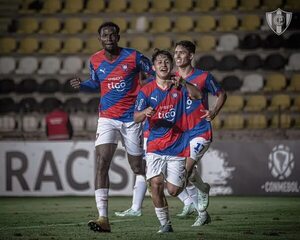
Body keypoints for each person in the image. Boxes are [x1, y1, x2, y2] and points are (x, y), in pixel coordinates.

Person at [70, 22, 154, 233]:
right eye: (104, 35)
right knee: (101, 162)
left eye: (112, 35)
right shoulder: (95, 59)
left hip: (131, 118)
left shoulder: (134, 57)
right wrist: (82, 85)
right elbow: (96, 82)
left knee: (137, 167)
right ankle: (103, 217)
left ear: (118, 36)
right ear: (100, 39)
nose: (108, 38)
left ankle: (157, 183)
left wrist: (147, 94)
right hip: (107, 117)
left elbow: (154, 74)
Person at [134, 49, 202, 233]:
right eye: (159, 62)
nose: (163, 65)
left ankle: (194, 182)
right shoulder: (146, 90)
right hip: (155, 145)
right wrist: (144, 113)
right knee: (155, 184)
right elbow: (136, 117)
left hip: (178, 146)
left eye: (166, 62)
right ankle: (165, 224)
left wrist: (185, 83)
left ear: (171, 66)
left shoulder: (179, 86)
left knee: (173, 190)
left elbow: (198, 96)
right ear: (154, 67)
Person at [174, 40, 227, 226]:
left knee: (183, 172)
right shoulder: (171, 78)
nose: (178, 56)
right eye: (176, 52)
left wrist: (213, 111)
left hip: (200, 130)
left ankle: (201, 203)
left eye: (182, 52)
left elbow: (221, 94)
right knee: (181, 176)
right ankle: (203, 193)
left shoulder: (204, 77)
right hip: (180, 134)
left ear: (190, 56)